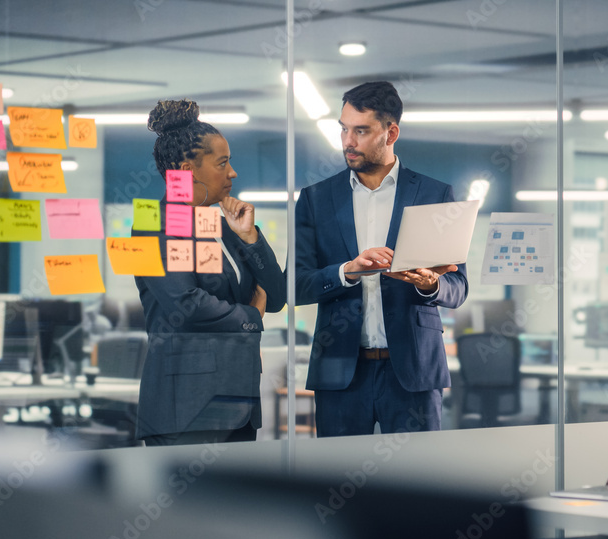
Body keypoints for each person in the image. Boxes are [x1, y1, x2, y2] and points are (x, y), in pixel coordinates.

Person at [294, 81, 468, 437]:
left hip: (413, 373)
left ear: (391, 132)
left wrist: (430, 284)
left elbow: (458, 287)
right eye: (343, 129)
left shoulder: (435, 194)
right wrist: (348, 271)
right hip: (340, 372)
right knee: (336, 484)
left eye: (361, 131)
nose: (348, 142)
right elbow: (295, 285)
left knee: (417, 484)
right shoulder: (316, 199)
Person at [133, 99, 285, 446]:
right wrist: (250, 314)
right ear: (187, 171)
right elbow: (184, 303)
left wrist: (251, 238)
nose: (232, 173)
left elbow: (275, 297)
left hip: (238, 402)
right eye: (223, 163)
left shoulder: (220, 224)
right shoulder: (152, 222)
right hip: (185, 408)